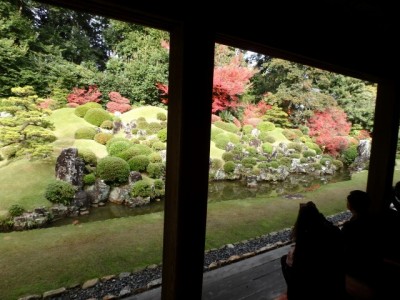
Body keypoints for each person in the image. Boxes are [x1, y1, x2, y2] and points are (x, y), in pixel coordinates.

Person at [280, 201, 346, 300]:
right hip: (332, 270)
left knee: (284, 260)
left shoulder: (307, 236)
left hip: (316, 276)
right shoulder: (329, 228)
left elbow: (300, 263)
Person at [341, 190, 381, 298]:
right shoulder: (374, 220)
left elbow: (341, 245)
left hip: (355, 265)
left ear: (351, 205)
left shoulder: (351, 226)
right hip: (372, 262)